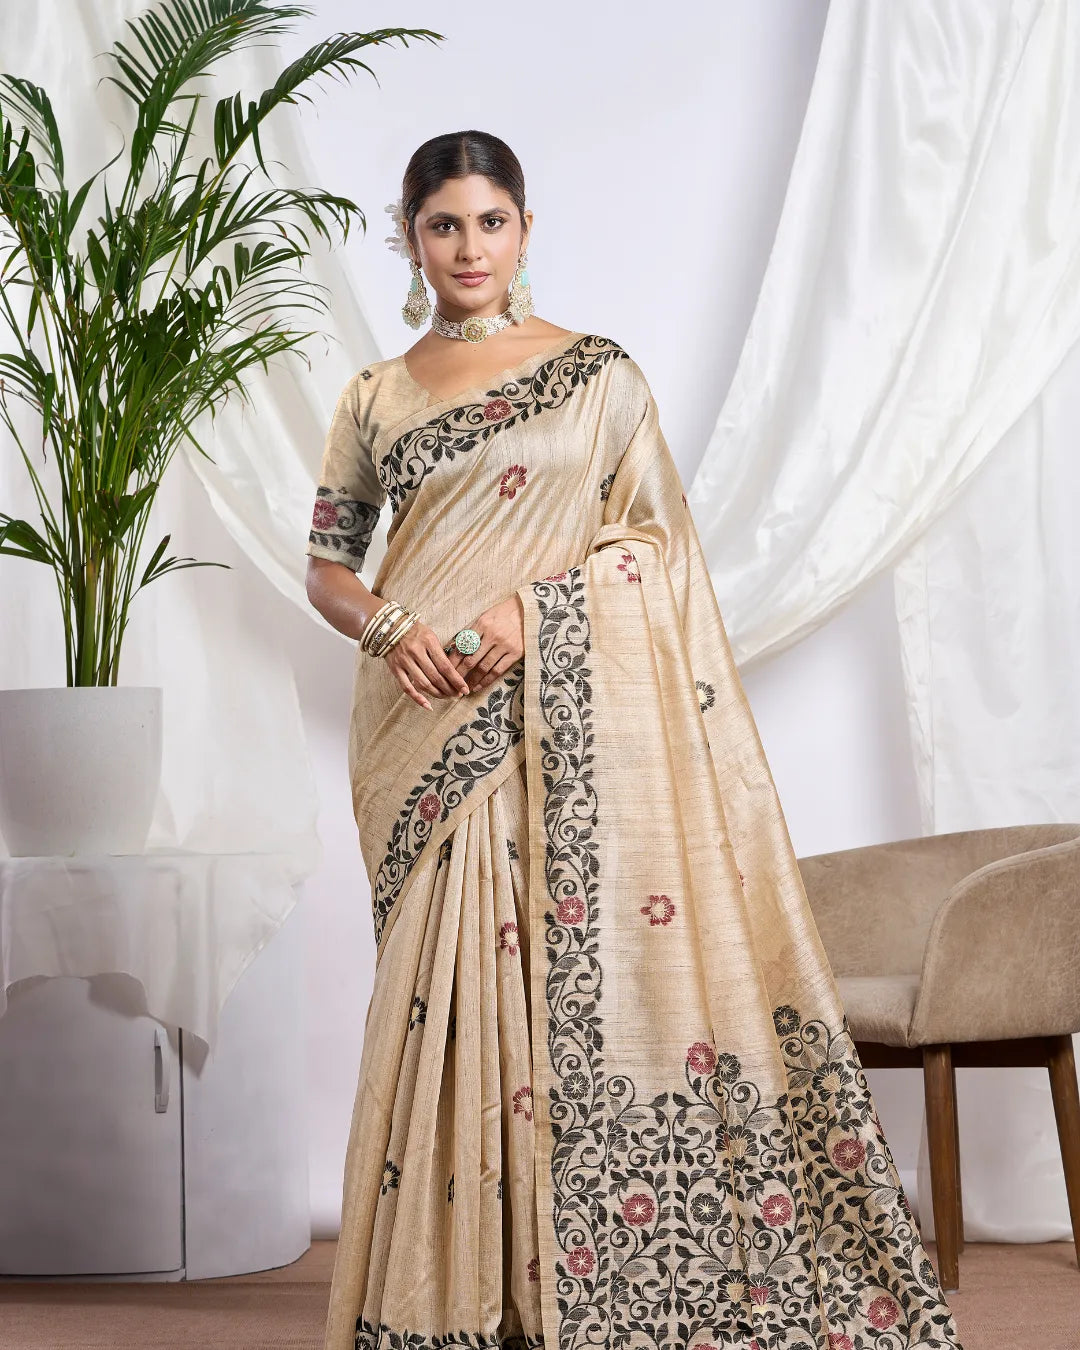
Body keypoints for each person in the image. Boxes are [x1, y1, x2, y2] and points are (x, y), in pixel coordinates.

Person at [305, 130, 965, 1350]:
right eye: (443, 225)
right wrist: (390, 625)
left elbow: (657, 548)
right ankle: (453, 1299)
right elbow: (329, 566)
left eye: (490, 222)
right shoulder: (374, 396)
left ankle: (573, 1279)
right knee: (448, 997)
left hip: (555, 708)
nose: (468, 248)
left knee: (561, 990)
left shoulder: (598, 377)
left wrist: (535, 612)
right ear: (408, 237)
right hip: (424, 723)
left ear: (525, 229)